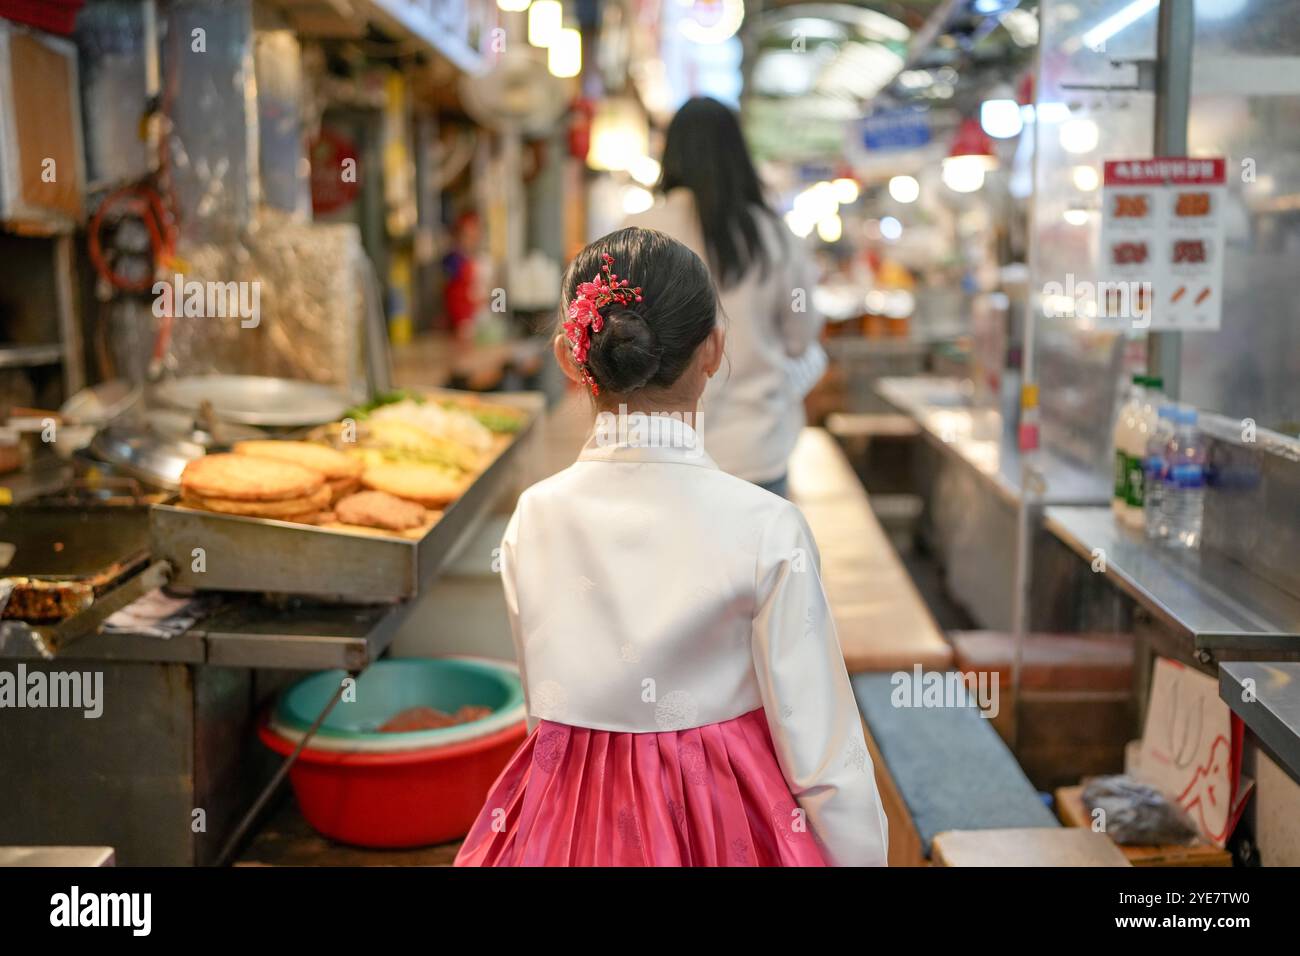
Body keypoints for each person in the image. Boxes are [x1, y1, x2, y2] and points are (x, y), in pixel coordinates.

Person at [454, 227, 887, 867]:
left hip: (565, 826)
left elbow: (541, 712)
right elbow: (824, 758)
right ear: (713, 349)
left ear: (571, 359)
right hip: (723, 823)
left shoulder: (533, 517)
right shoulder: (768, 527)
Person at [626, 96, 825, 498]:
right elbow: (800, 338)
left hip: (659, 454)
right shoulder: (776, 236)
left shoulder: (637, 234)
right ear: (739, 154)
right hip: (756, 450)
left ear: (672, 152)